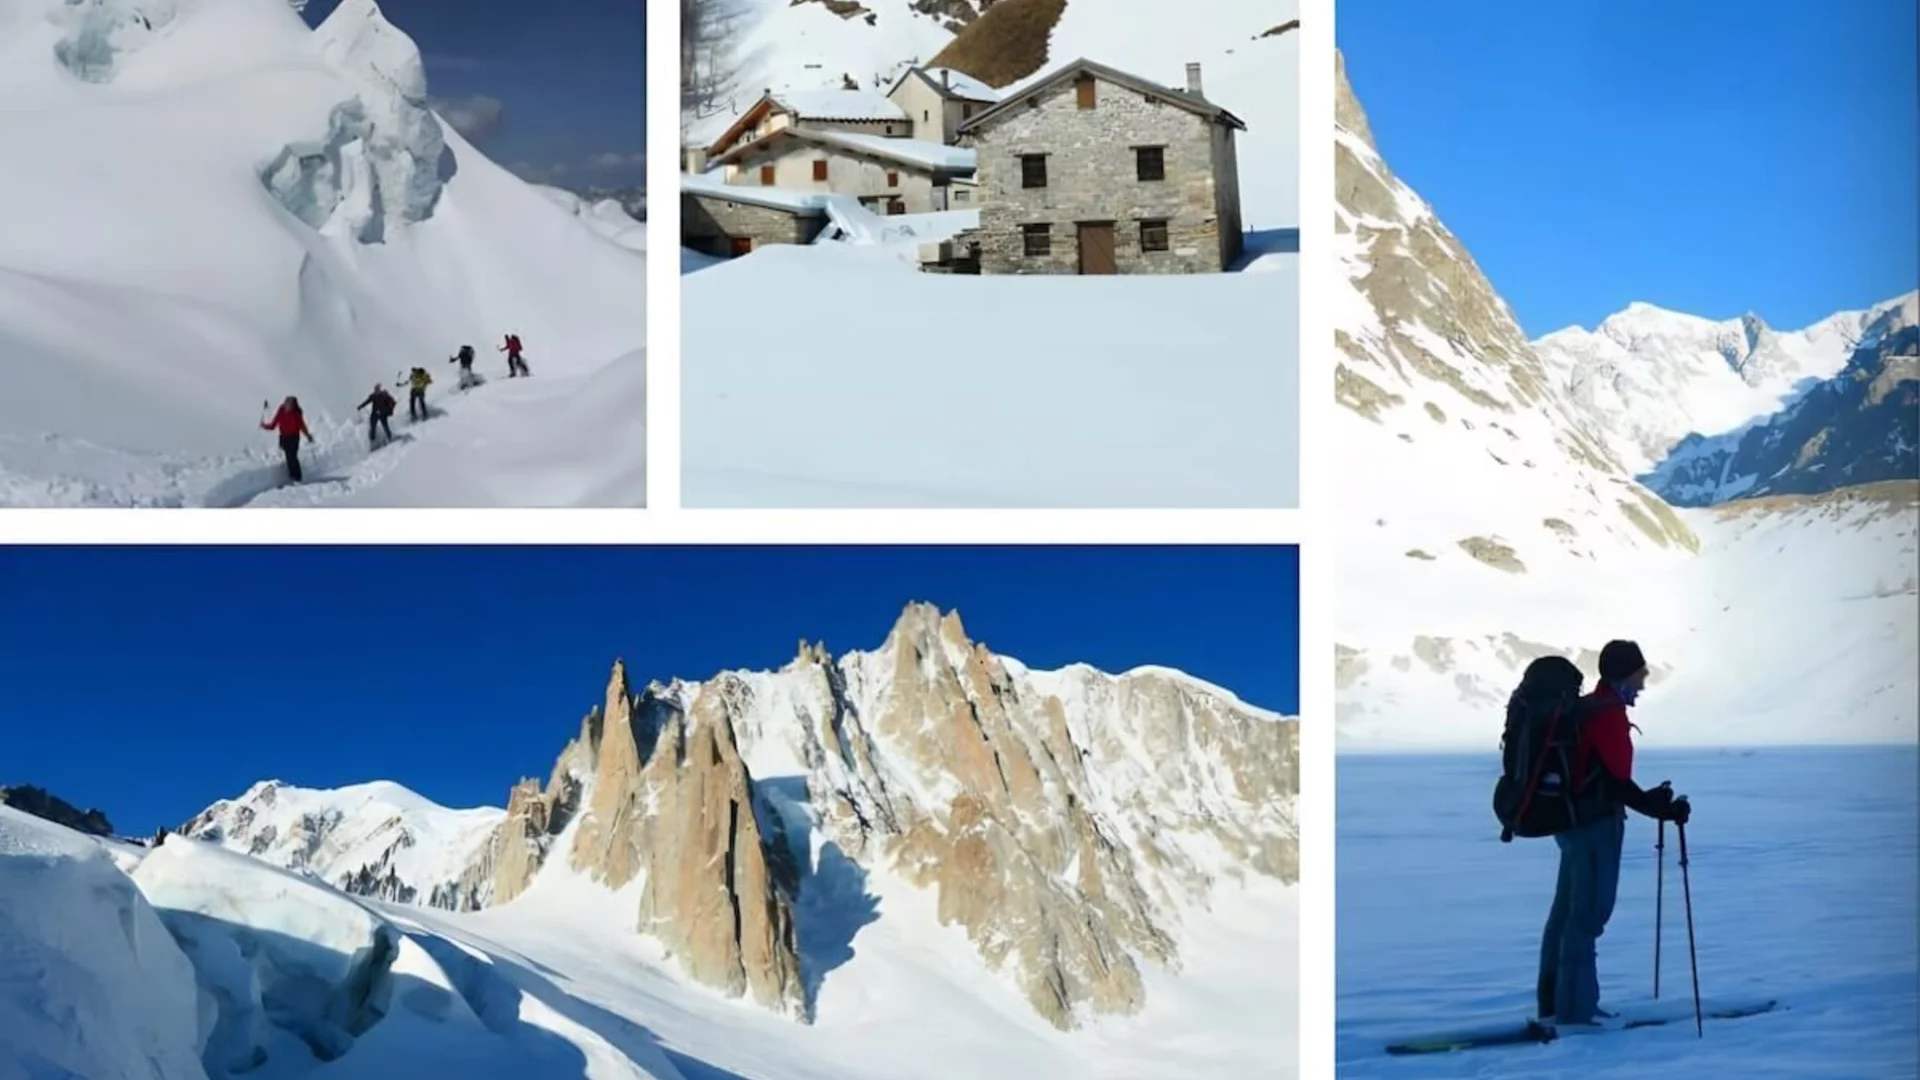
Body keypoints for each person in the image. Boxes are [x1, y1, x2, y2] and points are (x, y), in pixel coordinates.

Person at [1537, 639, 1691, 1030]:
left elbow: (1608, 778)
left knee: (1566, 913)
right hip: (1595, 827)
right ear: (1624, 674)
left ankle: (1554, 1004)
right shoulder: (1608, 715)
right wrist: (1662, 808)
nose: (1642, 684)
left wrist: (1652, 802)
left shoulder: (1588, 707)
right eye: (1640, 675)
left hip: (1571, 825)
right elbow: (1618, 783)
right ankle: (1576, 1012)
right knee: (1587, 916)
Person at [261, 395, 315, 482]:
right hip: (284, 437)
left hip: (294, 437)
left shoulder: (296, 413)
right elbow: (273, 425)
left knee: (292, 456)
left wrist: (307, 435)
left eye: (289, 404)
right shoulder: (281, 411)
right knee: (288, 457)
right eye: (286, 403)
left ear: (293, 405)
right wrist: (264, 426)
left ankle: (297, 477)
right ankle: (292, 476)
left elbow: (301, 425)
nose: (287, 405)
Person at [357, 383, 397, 448]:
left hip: (382, 414)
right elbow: (366, 402)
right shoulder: (373, 396)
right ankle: (373, 441)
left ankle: (390, 437)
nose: (376, 391)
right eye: (375, 389)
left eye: (378, 389)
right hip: (375, 414)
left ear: (379, 389)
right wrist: (360, 406)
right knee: (373, 428)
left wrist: (391, 406)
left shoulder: (384, 394)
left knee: (385, 426)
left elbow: (392, 401)